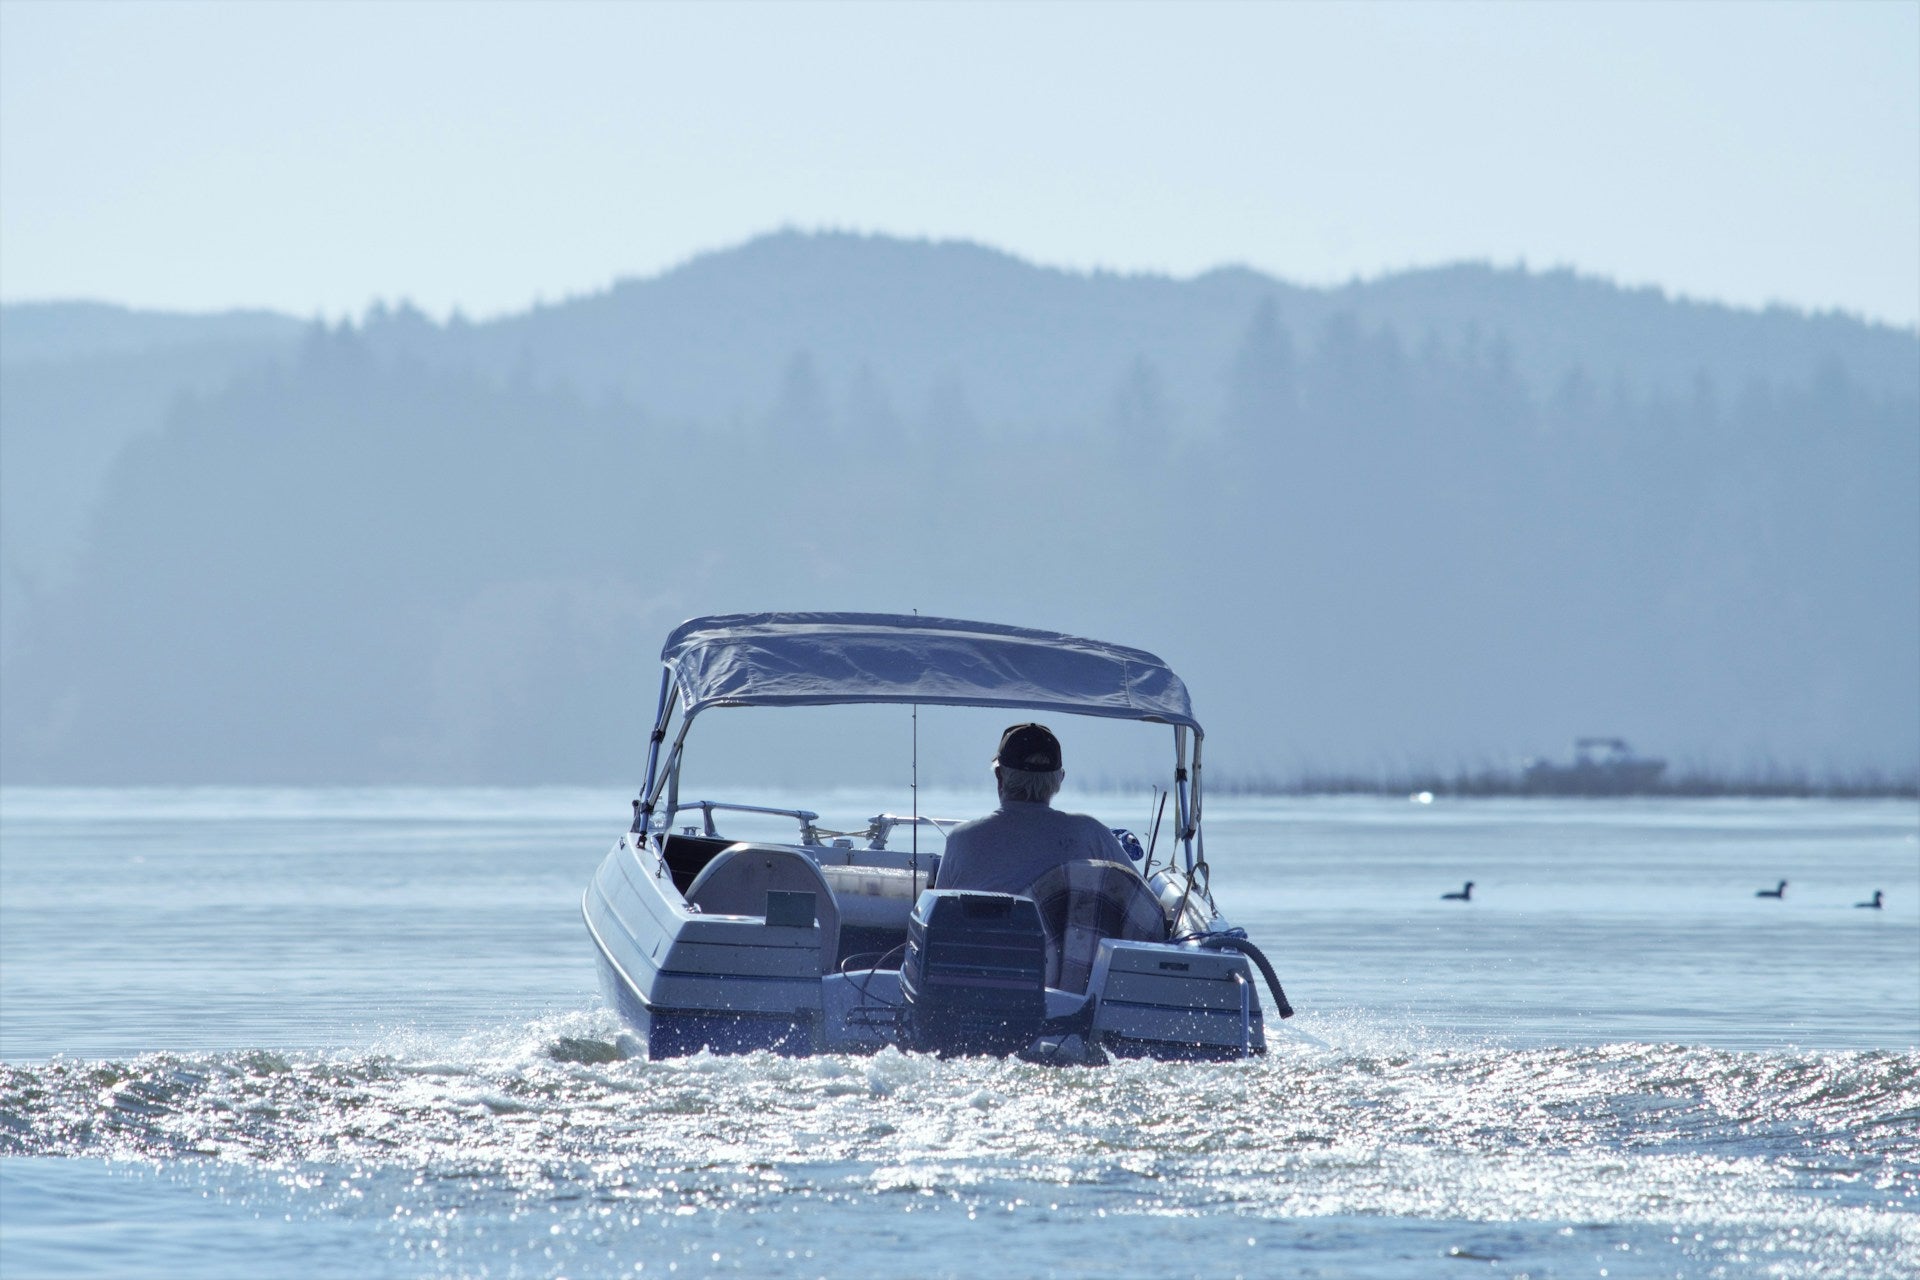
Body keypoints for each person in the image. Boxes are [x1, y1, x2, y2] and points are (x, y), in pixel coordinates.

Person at [935, 723, 1129, 894]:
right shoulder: (1091, 833)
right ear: (1060, 780)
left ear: (999, 776)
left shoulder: (961, 839)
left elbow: (937, 916)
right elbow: (1144, 900)